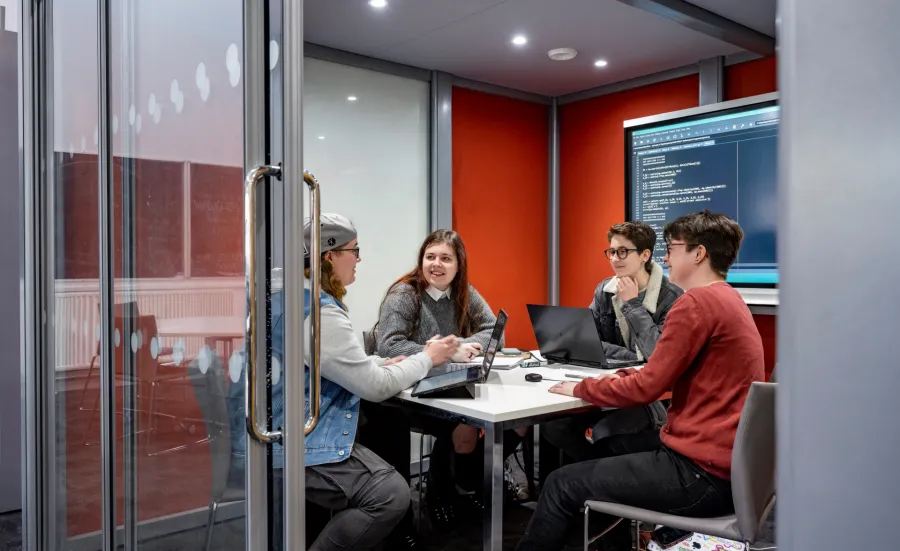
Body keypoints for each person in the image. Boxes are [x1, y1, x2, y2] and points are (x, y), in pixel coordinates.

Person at [516, 211, 765, 551]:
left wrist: (581, 388)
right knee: (603, 450)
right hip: (724, 467)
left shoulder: (695, 302)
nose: (666, 257)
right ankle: (608, 541)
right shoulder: (728, 299)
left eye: (672, 248)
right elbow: (658, 371)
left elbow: (648, 385)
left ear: (698, 253)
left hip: (698, 475)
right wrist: (621, 375)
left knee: (561, 483)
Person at [229, 213, 460, 551]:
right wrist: (428, 358)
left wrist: (377, 363)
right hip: (288, 443)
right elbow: (375, 387)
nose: (359, 259)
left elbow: (322, 363)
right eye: (354, 250)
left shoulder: (282, 298)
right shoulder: (318, 313)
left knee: (384, 427)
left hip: (260, 432)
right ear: (329, 256)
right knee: (391, 494)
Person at [359, 229, 524, 534]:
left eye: (446, 258)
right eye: (430, 257)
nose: (437, 264)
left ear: (458, 265)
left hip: (448, 384)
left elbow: (493, 332)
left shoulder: (463, 291)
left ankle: (466, 487)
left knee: (517, 423)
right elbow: (389, 345)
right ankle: (442, 494)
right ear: (421, 260)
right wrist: (445, 353)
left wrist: (460, 344)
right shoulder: (405, 294)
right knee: (464, 427)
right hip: (407, 393)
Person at [540, 221, 682, 466]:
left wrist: (632, 305)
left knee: (604, 434)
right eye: (612, 252)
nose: (615, 258)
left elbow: (657, 355)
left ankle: (601, 484)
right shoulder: (604, 290)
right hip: (609, 385)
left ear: (645, 255)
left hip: (652, 401)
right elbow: (587, 342)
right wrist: (629, 355)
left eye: (623, 251)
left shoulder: (672, 298)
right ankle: (585, 483)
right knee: (553, 427)